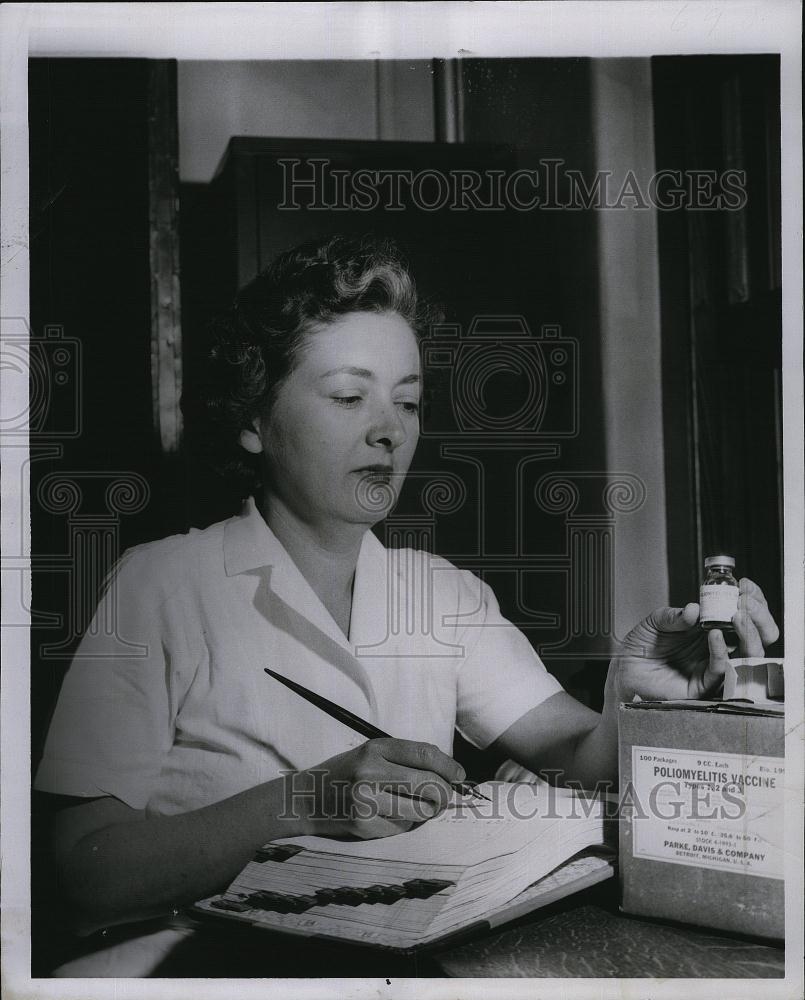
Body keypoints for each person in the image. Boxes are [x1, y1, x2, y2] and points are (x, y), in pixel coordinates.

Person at [34, 235, 779, 966]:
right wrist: (304, 801)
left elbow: (573, 755)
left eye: (409, 402)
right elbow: (84, 873)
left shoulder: (443, 592)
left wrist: (633, 700)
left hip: (394, 960)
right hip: (197, 966)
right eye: (349, 396)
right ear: (253, 421)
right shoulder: (158, 583)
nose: (389, 430)